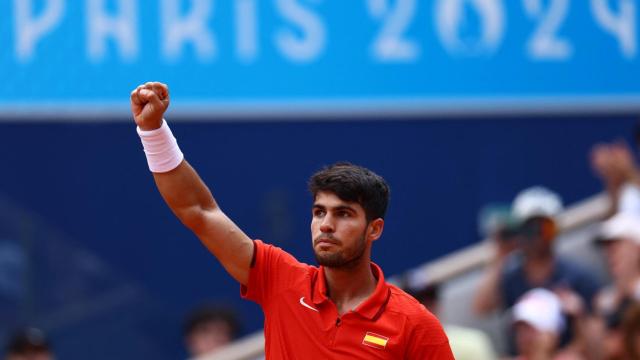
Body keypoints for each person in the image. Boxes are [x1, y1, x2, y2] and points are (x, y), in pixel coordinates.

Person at [129, 82, 453, 359]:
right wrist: (154, 130)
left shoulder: (414, 325)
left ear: (374, 229)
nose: (326, 224)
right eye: (319, 212)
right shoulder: (279, 279)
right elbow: (199, 211)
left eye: (343, 214)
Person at [473, 186, 601, 355]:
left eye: (545, 227)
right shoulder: (510, 278)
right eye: (530, 227)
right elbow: (481, 307)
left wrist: (579, 317)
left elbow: (599, 345)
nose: (538, 235)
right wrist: (501, 253)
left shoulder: (579, 278)